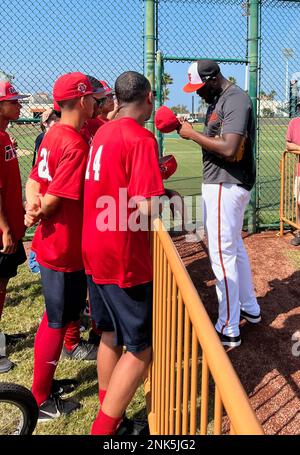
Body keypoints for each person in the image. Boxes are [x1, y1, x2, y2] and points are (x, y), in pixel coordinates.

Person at [82, 71, 165, 435]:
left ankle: (108, 411)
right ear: (147, 97)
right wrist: (168, 201)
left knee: (110, 335)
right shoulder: (141, 138)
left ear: (116, 99)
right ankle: (103, 430)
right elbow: (148, 209)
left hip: (94, 245)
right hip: (122, 253)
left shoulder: (103, 130)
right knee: (140, 348)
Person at [25, 72, 101, 419]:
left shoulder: (55, 133)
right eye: (93, 97)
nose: (96, 102)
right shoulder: (73, 143)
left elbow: (33, 182)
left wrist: (32, 206)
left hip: (51, 241)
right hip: (63, 245)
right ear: (82, 100)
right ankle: (39, 400)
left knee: (55, 318)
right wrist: (41, 208)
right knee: (56, 321)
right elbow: (54, 200)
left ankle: (44, 384)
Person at [179, 60, 261, 348]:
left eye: (200, 87)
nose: (198, 94)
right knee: (234, 248)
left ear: (213, 78)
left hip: (226, 184)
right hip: (222, 184)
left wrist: (192, 135)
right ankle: (249, 307)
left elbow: (228, 148)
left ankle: (228, 327)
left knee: (221, 253)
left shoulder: (235, 98)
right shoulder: (220, 99)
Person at [0, 80, 28, 373]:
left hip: (10, 226)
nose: (19, 105)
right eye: (13, 101)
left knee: (3, 285)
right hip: (2, 230)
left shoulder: (5, 136)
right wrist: (6, 228)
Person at [29, 108, 60, 274]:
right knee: (44, 223)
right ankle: (35, 261)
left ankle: (36, 260)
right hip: (46, 185)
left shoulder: (47, 137)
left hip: (43, 184)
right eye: (52, 119)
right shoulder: (45, 137)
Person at [286, 101, 300, 246]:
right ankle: (299, 231)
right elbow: (288, 144)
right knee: (299, 203)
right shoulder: (294, 123)